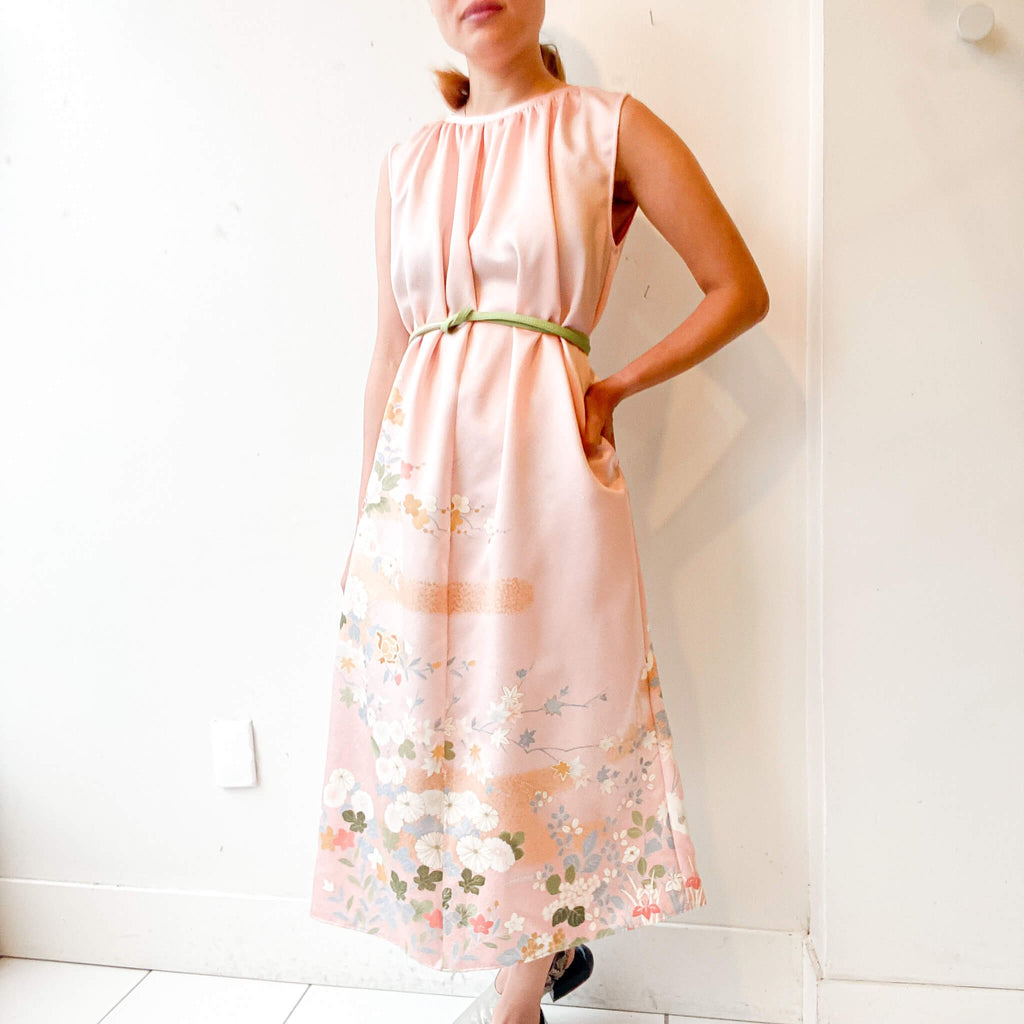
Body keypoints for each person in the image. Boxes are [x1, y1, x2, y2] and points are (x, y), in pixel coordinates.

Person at [310, 3, 769, 1023]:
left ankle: (519, 992)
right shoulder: (408, 162)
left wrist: (612, 389)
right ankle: (541, 947)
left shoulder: (607, 128)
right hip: (418, 491)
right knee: (440, 725)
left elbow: (736, 289)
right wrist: (363, 525)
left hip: (545, 474)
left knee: (535, 716)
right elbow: (389, 351)